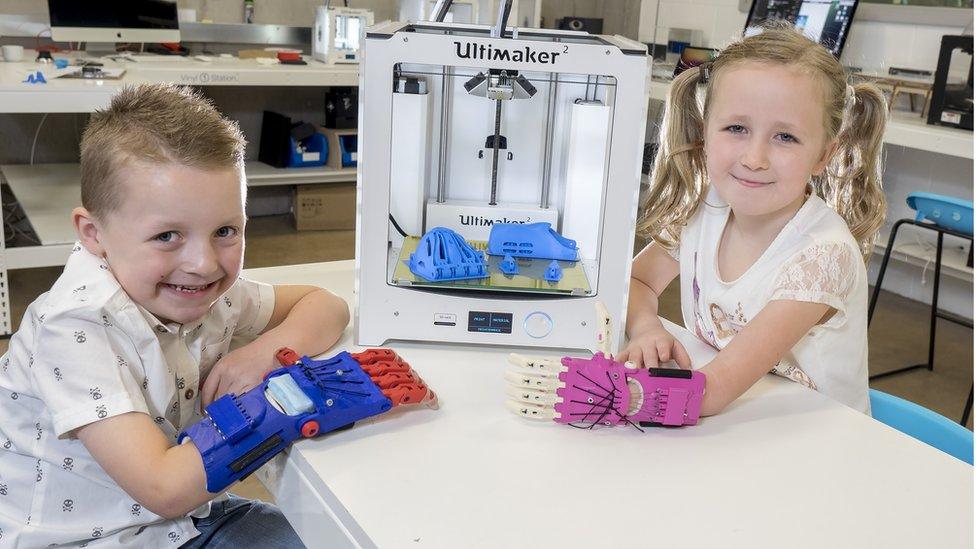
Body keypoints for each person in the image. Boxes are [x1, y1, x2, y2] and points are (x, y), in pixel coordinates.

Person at [0, 84, 350, 547]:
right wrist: (284, 403)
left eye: (225, 230)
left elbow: (328, 305)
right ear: (93, 233)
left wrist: (263, 354)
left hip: (187, 520)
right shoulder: (74, 324)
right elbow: (164, 488)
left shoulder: (206, 293)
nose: (204, 263)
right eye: (167, 235)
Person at [618, 25, 887, 416]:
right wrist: (645, 327)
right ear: (705, 132)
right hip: (743, 427)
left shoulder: (823, 255)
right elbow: (637, 280)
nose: (755, 158)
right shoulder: (708, 207)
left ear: (823, 155)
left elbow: (710, 391)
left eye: (786, 138)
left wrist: (604, 396)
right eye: (737, 128)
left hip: (818, 450)